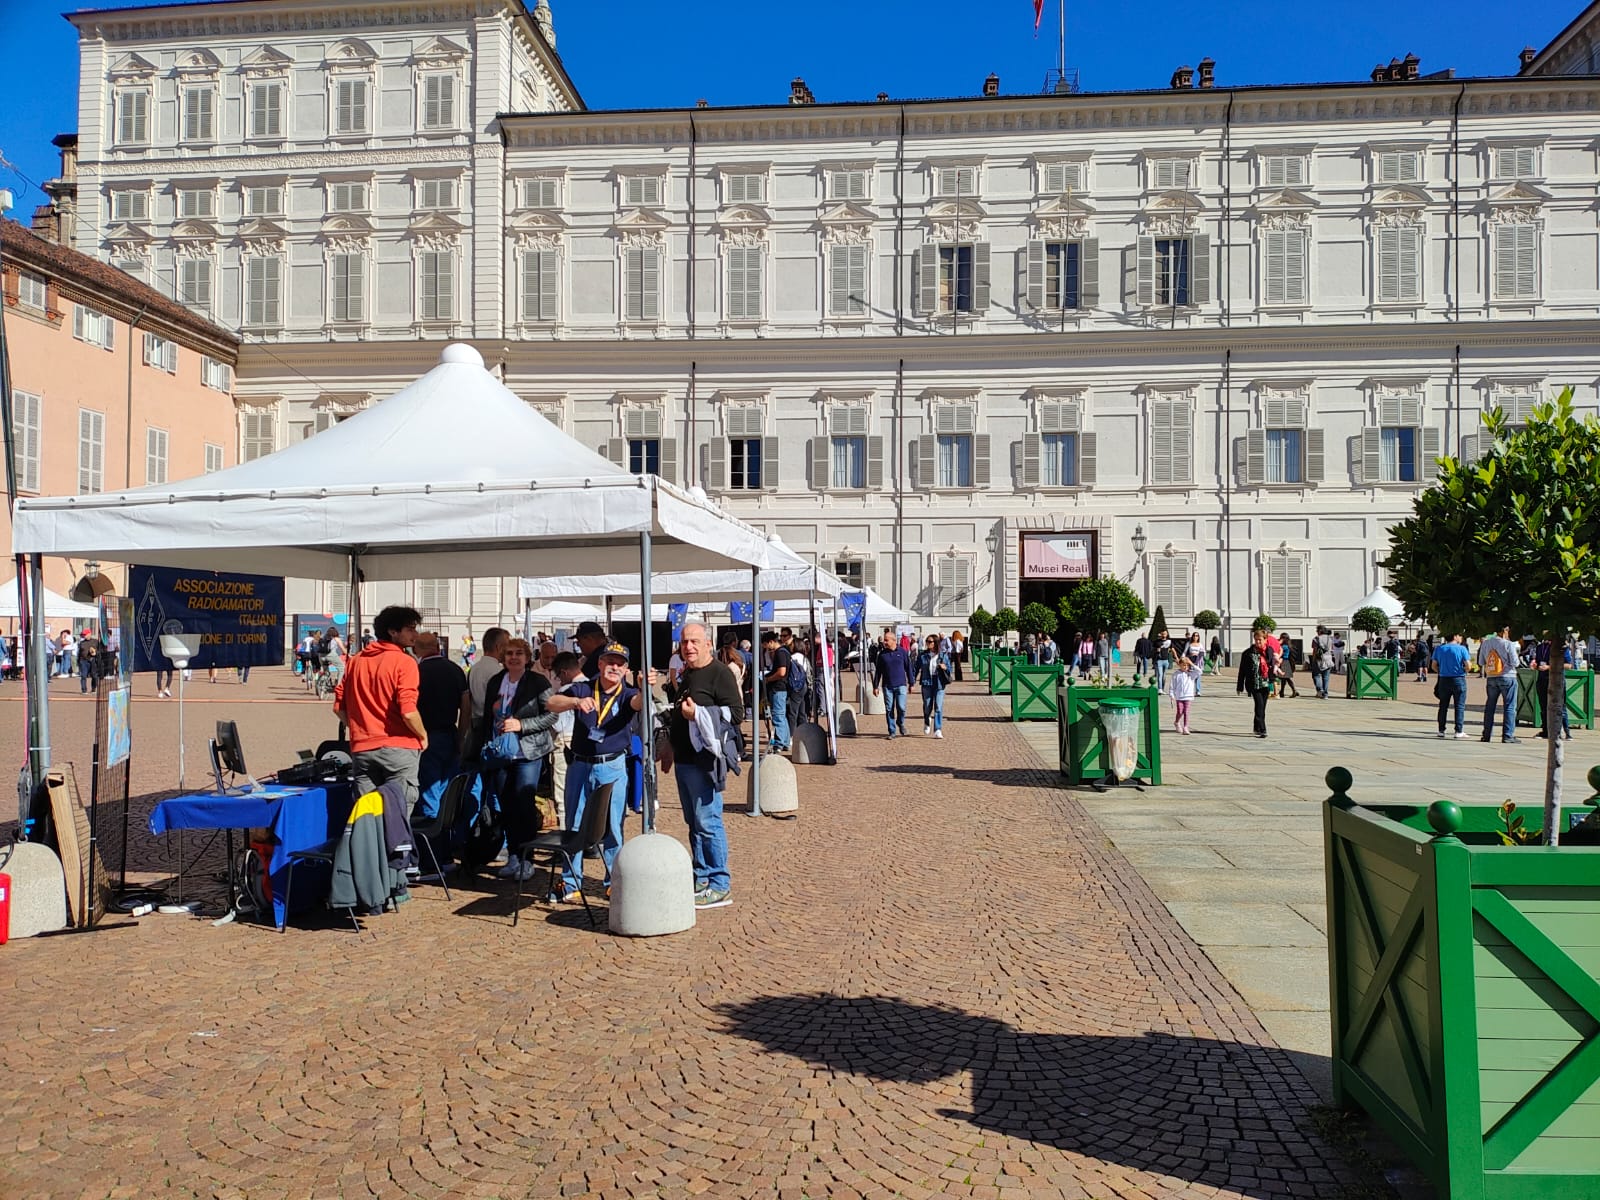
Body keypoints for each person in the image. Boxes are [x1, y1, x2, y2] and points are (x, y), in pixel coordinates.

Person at [546, 641, 645, 900]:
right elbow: (552, 702)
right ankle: (570, 882)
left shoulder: (627, 693)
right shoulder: (584, 688)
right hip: (580, 764)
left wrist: (645, 688)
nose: (614, 667)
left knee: (613, 826)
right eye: (610, 662)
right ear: (600, 664)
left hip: (612, 766)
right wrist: (576, 702)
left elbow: (638, 703)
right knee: (573, 824)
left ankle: (614, 880)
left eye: (620, 664)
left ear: (626, 669)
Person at [660, 622, 744, 909]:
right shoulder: (688, 673)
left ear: (708, 644)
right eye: (684, 642)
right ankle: (701, 876)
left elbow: (736, 714)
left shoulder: (719, 673)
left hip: (704, 760)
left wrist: (698, 713)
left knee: (708, 822)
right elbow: (678, 714)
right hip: (684, 759)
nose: (688, 647)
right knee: (694, 822)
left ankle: (720, 883)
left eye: (694, 641)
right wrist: (670, 745)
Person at [476, 637, 560, 882]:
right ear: (503, 657)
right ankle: (513, 855)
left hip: (528, 753)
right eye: (509, 653)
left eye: (518, 654)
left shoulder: (537, 682)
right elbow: (487, 717)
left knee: (524, 805)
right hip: (501, 753)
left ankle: (527, 858)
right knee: (507, 806)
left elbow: (551, 715)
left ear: (527, 657)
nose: (513, 658)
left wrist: (522, 725)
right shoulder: (496, 681)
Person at [332, 605, 428, 811]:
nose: (415, 634)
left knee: (367, 818)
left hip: (363, 748)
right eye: (410, 629)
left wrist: (359, 727)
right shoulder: (405, 662)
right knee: (398, 816)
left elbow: (339, 706)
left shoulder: (356, 661)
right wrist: (422, 735)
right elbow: (408, 711)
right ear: (393, 632)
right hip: (399, 746)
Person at [414, 631, 470, 826]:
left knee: (429, 786)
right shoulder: (455, 669)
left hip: (425, 734)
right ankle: (448, 828)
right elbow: (466, 707)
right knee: (448, 786)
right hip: (450, 732)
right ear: (438, 647)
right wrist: (461, 735)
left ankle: (433, 830)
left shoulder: (417, 672)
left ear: (417, 650)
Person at [546, 650, 584, 827]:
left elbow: (556, 724)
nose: (559, 680)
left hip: (565, 741)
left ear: (564, 672)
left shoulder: (565, 691)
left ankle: (565, 833)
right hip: (586, 743)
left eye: (558, 676)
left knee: (562, 792)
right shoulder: (593, 686)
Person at [466, 627, 511, 752]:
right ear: (499, 647)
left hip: (475, 723)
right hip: (491, 725)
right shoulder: (498, 672)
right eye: (507, 646)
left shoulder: (474, 669)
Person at [1478, 624, 1520, 744]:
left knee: (1490, 706)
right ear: (1505, 631)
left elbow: (1481, 662)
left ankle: (1486, 735)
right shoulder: (1508, 644)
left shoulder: (1486, 643)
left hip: (1491, 677)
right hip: (1508, 676)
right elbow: (1515, 663)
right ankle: (1507, 735)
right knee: (1510, 706)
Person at [872, 629, 912, 739]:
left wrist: (911, 683)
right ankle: (892, 731)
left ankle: (900, 722)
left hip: (901, 684)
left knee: (901, 707)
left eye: (886, 640)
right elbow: (878, 671)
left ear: (894, 640)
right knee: (889, 708)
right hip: (887, 686)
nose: (884, 642)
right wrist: (875, 686)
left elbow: (908, 668)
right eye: (884, 640)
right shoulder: (882, 654)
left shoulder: (902, 652)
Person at [1430, 631, 1470, 739]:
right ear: (1455, 636)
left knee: (1443, 705)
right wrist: (1464, 671)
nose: (1460, 637)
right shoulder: (1462, 649)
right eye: (1459, 635)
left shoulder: (1439, 649)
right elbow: (1468, 665)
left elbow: (1433, 665)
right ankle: (1458, 730)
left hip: (1444, 679)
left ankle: (1441, 730)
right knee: (1459, 706)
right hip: (1458, 678)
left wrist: (1441, 671)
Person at [1237, 628, 1276, 738]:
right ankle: (1263, 729)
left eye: (1260, 640)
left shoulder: (1269, 651)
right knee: (1259, 705)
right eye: (1256, 639)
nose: (1258, 642)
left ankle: (1256, 727)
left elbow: (1272, 664)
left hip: (1266, 683)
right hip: (1254, 683)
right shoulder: (1248, 653)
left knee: (1262, 707)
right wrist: (1240, 686)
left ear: (1265, 640)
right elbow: (1242, 670)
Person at [1534, 634, 1574, 741]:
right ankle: (1546, 731)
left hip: (1556, 679)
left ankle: (1566, 732)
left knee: (1561, 706)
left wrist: (1549, 667)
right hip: (1542, 679)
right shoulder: (1540, 647)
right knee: (1543, 706)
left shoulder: (1561, 647)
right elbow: (1537, 662)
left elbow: (1568, 665)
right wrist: (1535, 665)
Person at [760, 630, 792, 753]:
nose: (766, 648)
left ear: (771, 642)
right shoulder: (784, 651)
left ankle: (779, 743)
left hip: (778, 688)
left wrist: (768, 679)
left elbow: (781, 672)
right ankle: (785, 741)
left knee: (778, 716)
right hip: (781, 688)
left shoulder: (780, 653)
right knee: (782, 716)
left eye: (765, 645)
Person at [915, 633, 952, 737]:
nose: (928, 643)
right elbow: (916, 668)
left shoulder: (942, 655)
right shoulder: (923, 655)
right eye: (927, 641)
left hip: (939, 682)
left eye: (930, 641)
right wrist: (912, 681)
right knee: (927, 706)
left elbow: (949, 669)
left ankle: (938, 729)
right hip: (926, 682)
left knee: (938, 707)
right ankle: (927, 721)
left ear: (935, 643)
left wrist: (945, 667)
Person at [1169, 649, 1200, 734]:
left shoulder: (1191, 674)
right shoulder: (1176, 674)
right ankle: (1177, 722)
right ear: (1180, 665)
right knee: (1180, 711)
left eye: (1186, 665)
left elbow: (1199, 671)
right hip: (1179, 696)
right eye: (1183, 665)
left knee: (1186, 712)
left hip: (1188, 696)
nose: (1185, 667)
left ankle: (1186, 727)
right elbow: (1172, 686)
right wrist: (1172, 695)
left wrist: (1191, 663)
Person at [1308, 626, 1333, 699]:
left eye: (1317, 631)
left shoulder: (1316, 639)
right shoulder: (1330, 639)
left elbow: (1315, 650)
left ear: (1319, 631)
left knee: (1316, 675)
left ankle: (1320, 690)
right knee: (1326, 677)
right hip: (1329, 659)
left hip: (1319, 659)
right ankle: (1325, 694)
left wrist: (1313, 660)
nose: (1316, 632)